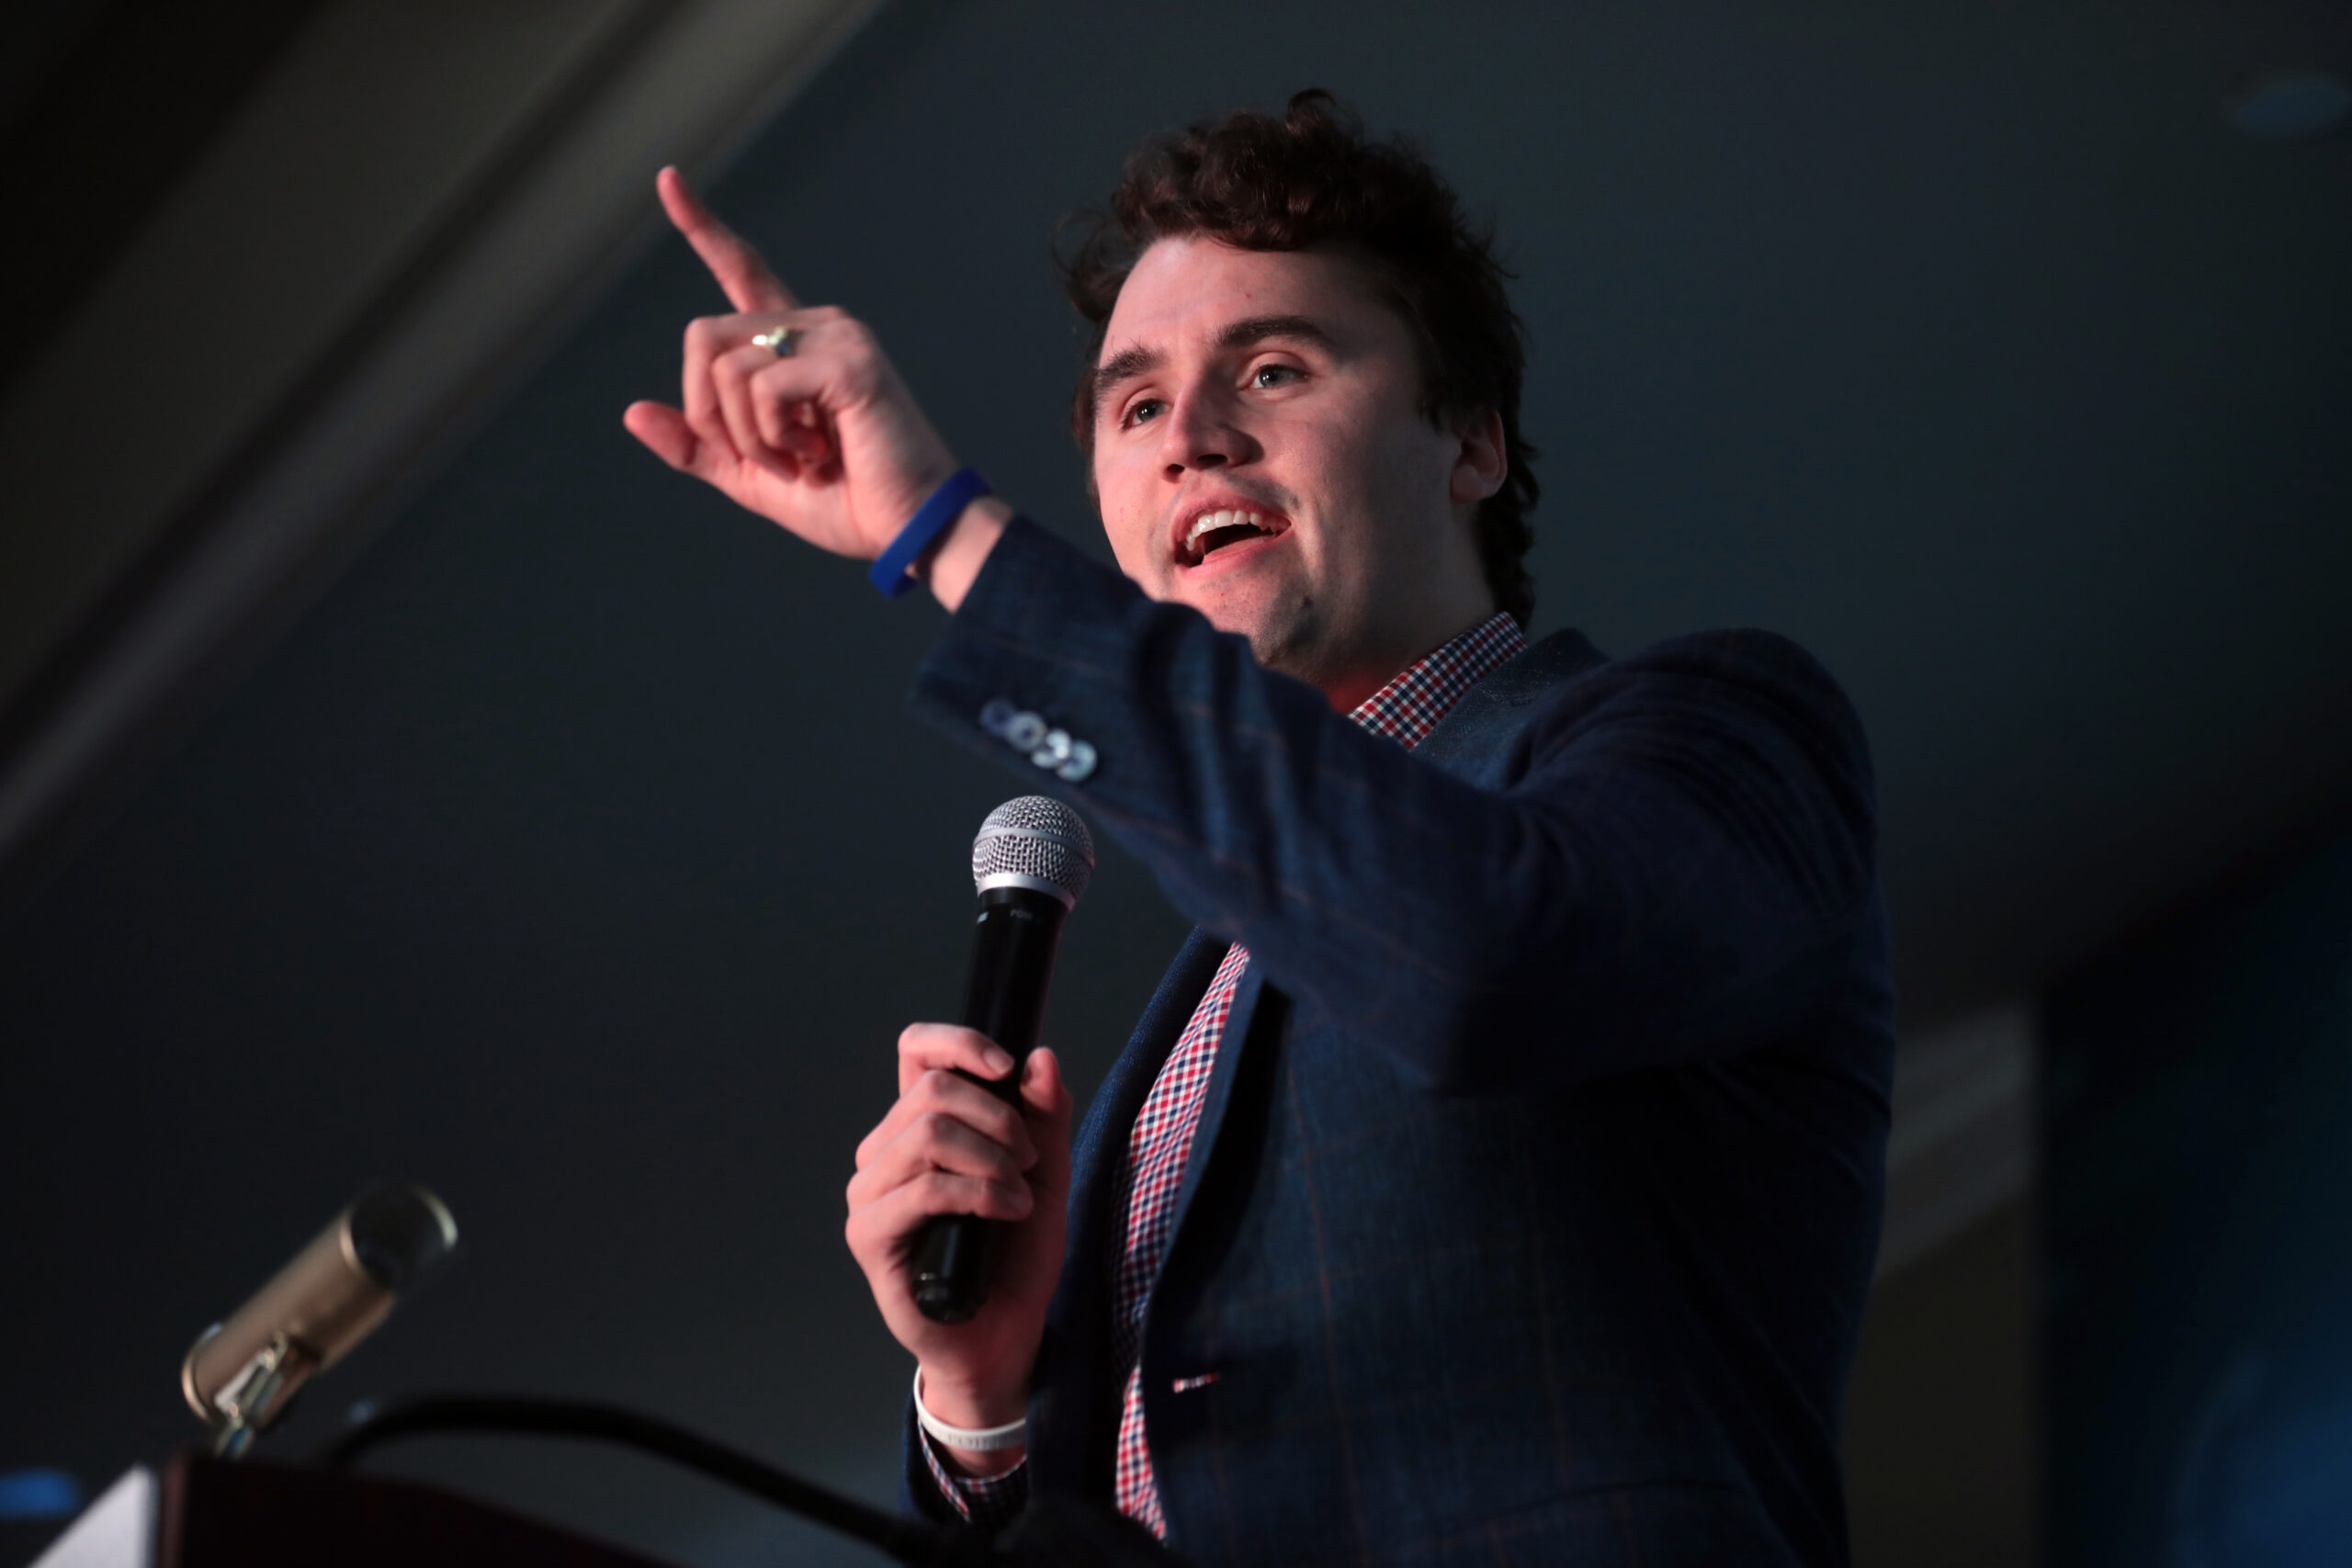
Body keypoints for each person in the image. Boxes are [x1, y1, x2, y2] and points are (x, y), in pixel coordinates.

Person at [626, 93, 1893, 1568]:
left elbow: (1485, 955)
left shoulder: (1716, 734)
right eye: (1137, 404)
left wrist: (949, 535)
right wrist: (980, 1401)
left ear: (1471, 440)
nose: (1193, 441)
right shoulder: (1207, 998)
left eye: (1274, 367)